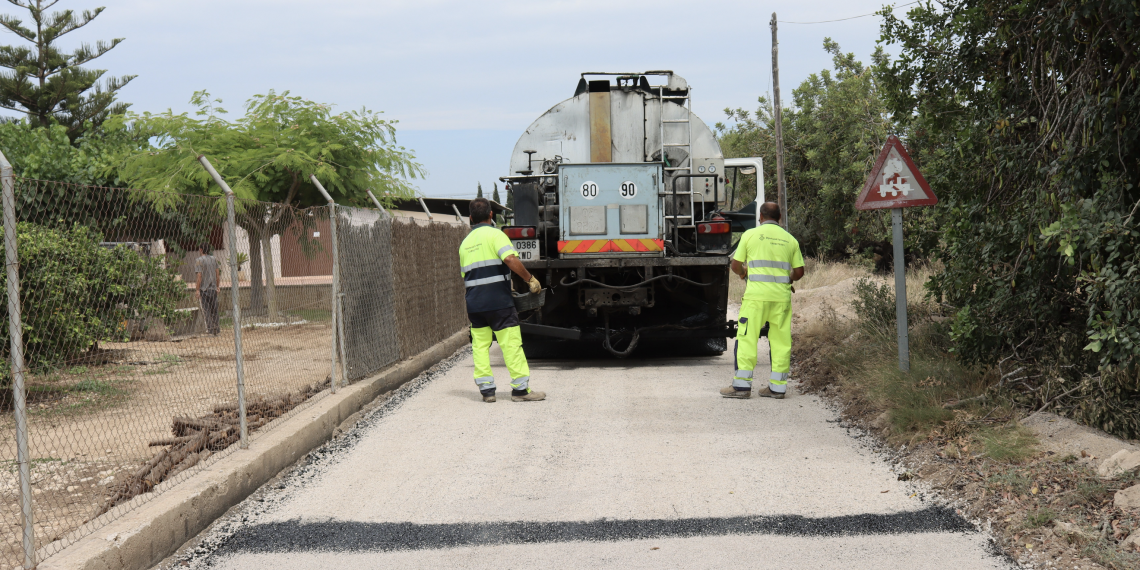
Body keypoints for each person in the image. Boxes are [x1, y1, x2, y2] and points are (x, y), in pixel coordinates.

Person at [460, 197, 545, 403]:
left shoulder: (464, 244)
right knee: (510, 344)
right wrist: (529, 279)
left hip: (475, 304)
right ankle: (521, 390)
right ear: (491, 215)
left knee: (480, 346)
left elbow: (467, 277)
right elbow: (509, 258)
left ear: (471, 218)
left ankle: (487, 391)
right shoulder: (495, 235)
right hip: (498, 301)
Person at [722, 202, 805, 399]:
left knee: (747, 338)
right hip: (781, 299)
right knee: (781, 342)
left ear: (760, 216)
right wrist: (789, 278)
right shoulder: (790, 240)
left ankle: (741, 387)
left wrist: (744, 274)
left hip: (756, 299)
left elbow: (735, 266)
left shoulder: (750, 235)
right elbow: (800, 272)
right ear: (780, 217)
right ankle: (777, 388)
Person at [195, 244, 221, 336]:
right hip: (213, 288)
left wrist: (197, 290)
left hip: (204, 289)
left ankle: (210, 331)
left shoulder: (199, 261)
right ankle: (217, 330)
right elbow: (217, 274)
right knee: (214, 310)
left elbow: (199, 276)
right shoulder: (214, 259)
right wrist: (217, 286)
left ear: (201, 249)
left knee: (206, 311)